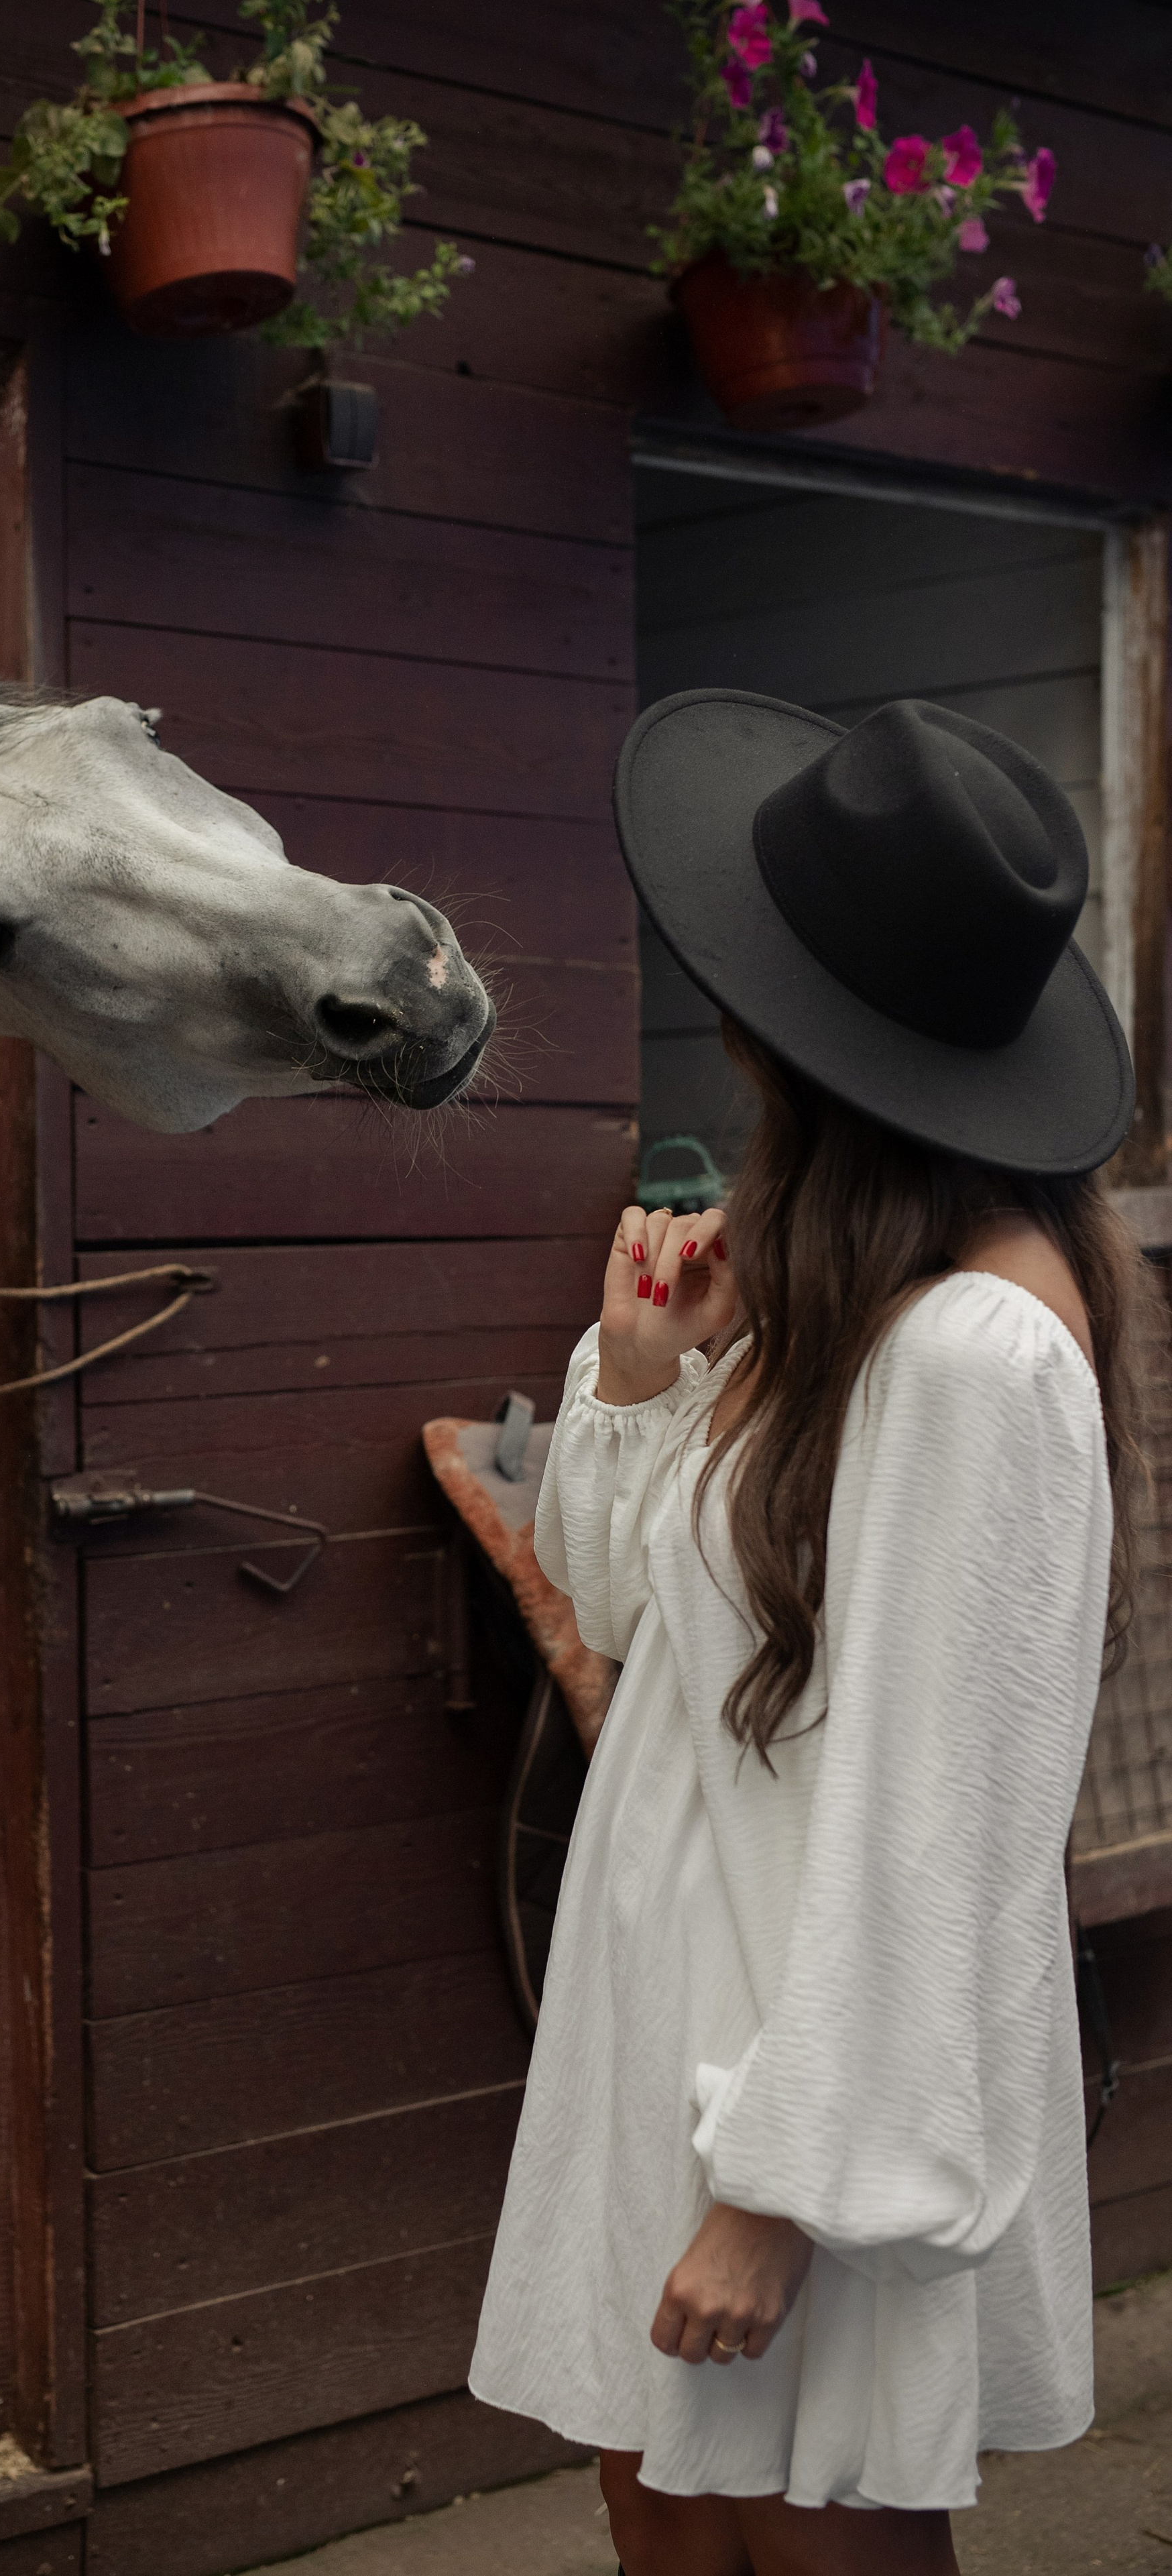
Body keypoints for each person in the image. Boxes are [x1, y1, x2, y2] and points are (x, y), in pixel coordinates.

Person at [469, 689, 1149, 2576]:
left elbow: (949, 1825)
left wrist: (783, 2195)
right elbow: (626, 1618)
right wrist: (636, 1369)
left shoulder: (973, 1350)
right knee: (662, 2497)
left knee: (817, 2540)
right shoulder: (854, 1285)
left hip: (804, 2058)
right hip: (693, 1997)